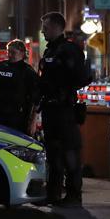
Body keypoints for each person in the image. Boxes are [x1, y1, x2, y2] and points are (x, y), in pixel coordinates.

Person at [38, 11, 88, 207]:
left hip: (64, 109)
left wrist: (64, 89)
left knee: (69, 153)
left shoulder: (69, 50)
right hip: (50, 109)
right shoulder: (50, 51)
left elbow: (81, 77)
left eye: (46, 27)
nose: (43, 31)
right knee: (53, 153)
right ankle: (53, 194)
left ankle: (74, 195)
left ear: (58, 27)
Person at [0, 39, 39, 134]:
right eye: (8, 51)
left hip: (16, 118)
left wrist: (33, 121)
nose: (10, 55)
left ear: (22, 53)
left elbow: (36, 97)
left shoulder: (28, 71)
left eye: (13, 52)